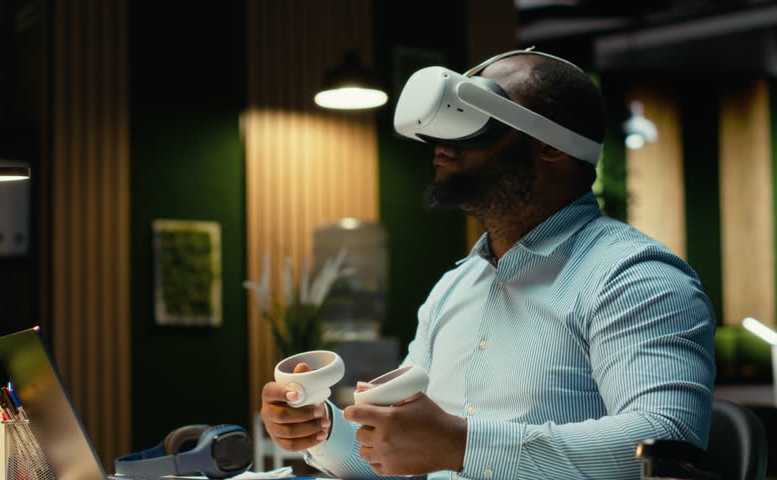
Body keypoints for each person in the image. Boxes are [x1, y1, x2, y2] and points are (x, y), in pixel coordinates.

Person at [260, 49, 715, 480]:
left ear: (550, 147)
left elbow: (668, 444)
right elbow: (403, 457)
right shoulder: (454, 288)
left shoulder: (634, 277)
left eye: (474, 120)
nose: (439, 141)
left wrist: (463, 444)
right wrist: (322, 429)